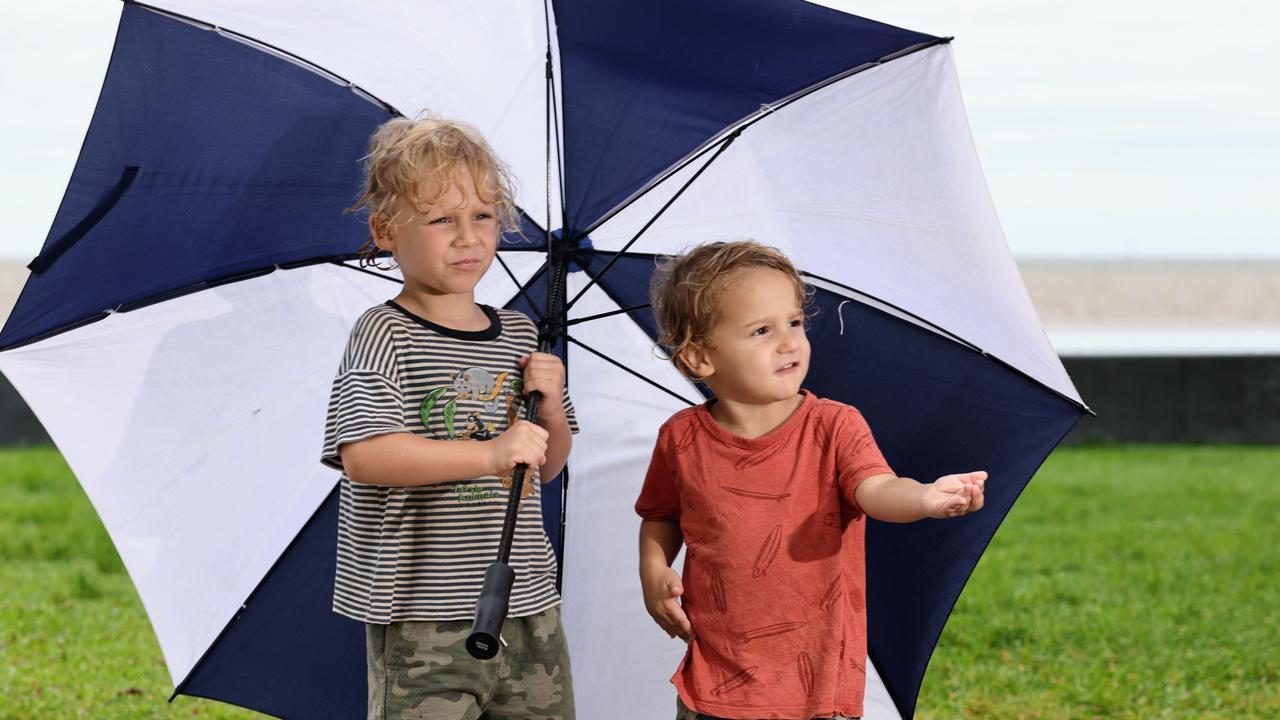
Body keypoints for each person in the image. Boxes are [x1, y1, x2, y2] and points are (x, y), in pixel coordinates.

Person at [636, 240, 987, 720]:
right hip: (716, 680)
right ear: (699, 359)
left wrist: (924, 498)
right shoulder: (681, 438)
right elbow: (662, 514)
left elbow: (877, 490)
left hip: (816, 684)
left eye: (795, 322)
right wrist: (653, 569)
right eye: (761, 330)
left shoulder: (834, 426)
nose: (789, 342)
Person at [322, 114, 576, 720]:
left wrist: (553, 404)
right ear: (387, 231)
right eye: (441, 220)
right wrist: (488, 454)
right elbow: (366, 456)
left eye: (482, 217)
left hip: (527, 604)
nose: (468, 238)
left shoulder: (519, 333)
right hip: (422, 617)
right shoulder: (385, 332)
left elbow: (545, 467)